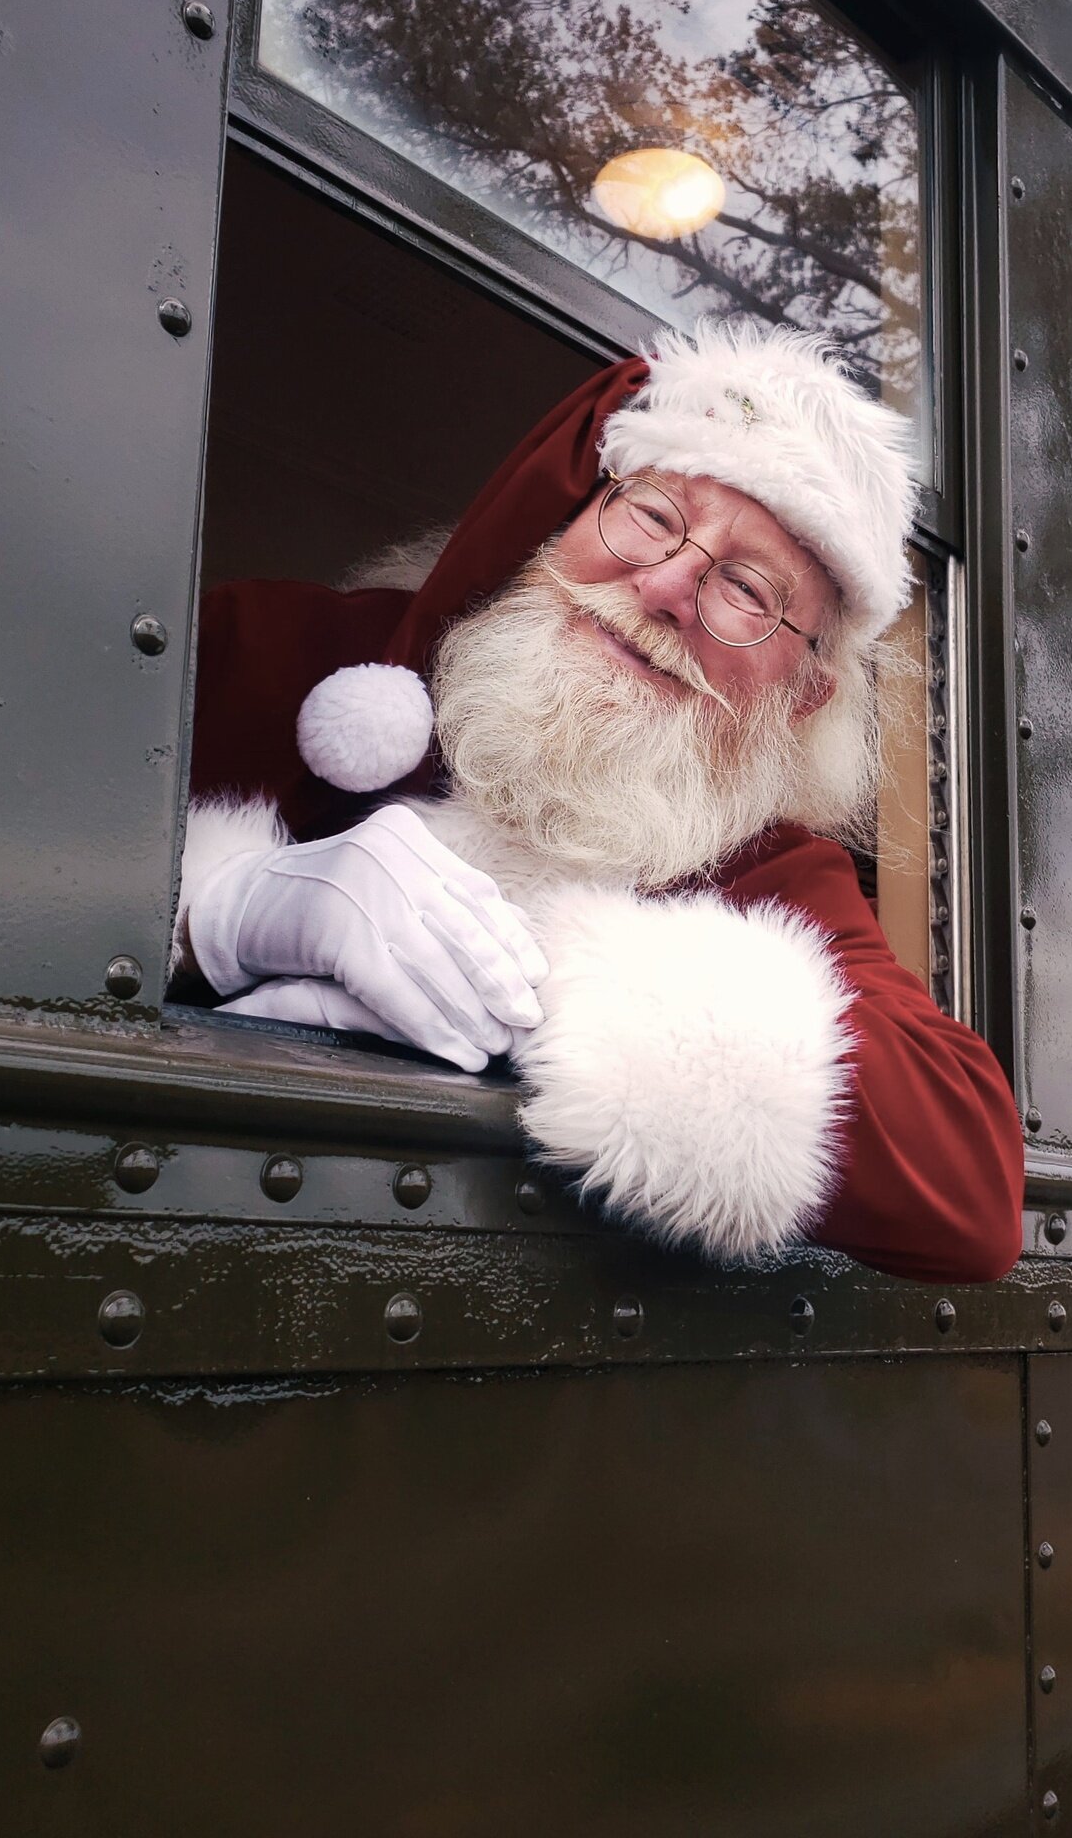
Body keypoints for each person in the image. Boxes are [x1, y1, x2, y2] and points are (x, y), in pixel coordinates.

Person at [173, 322, 1024, 1284]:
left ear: (803, 694)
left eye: (746, 587)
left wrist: (526, 966)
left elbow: (973, 1189)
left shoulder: (767, 867)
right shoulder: (282, 646)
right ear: (562, 526)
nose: (665, 587)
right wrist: (221, 908)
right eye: (654, 517)